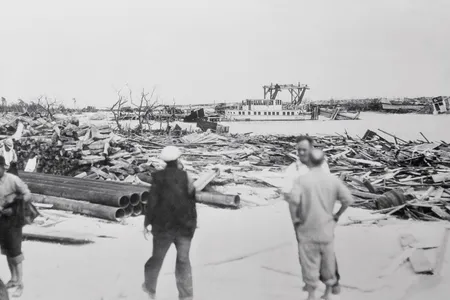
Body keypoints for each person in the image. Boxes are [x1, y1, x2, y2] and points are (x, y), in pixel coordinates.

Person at [289, 149, 353, 300]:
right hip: (326, 227)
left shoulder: (302, 180)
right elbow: (348, 200)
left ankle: (311, 294)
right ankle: (328, 293)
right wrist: (337, 215)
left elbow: (293, 202)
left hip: (308, 227)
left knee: (309, 262)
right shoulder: (333, 180)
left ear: (309, 161)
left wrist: (296, 220)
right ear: (323, 161)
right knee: (328, 261)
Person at [281, 136, 341, 294]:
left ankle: (333, 282)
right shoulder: (292, 168)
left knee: (326, 250)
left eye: (304, 149)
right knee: (304, 250)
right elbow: (286, 192)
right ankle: (310, 282)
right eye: (298, 149)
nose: (301, 152)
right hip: (301, 215)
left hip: (321, 213)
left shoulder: (322, 166)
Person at [143, 146, 196, 300]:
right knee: (183, 260)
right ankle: (186, 296)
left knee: (157, 258)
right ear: (178, 159)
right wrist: (192, 225)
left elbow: (152, 202)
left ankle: (149, 288)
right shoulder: (187, 177)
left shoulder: (158, 177)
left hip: (163, 227)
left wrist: (147, 222)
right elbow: (192, 202)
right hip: (184, 227)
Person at [0, 155, 32, 298]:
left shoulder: (12, 180)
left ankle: (20, 283)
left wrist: (14, 206)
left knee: (15, 251)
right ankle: (13, 279)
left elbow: (27, 194)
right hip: (2, 219)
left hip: (14, 219)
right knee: (7, 250)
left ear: (3, 167)